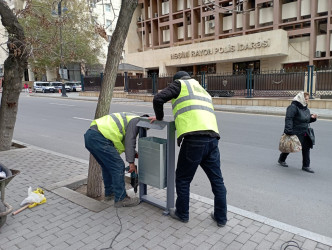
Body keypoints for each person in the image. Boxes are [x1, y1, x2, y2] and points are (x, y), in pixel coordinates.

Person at [148, 71, 227, 227]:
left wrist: (160, 117)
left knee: (183, 179)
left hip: (194, 140)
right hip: (212, 139)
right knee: (217, 181)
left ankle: (182, 213)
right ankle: (221, 218)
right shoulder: (202, 89)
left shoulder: (180, 84)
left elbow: (158, 98)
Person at [84, 112, 147, 207]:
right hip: (99, 138)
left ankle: (110, 193)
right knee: (118, 166)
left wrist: (134, 153)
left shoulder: (130, 118)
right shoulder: (136, 121)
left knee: (107, 166)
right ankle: (121, 199)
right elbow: (130, 141)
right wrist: (131, 163)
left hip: (91, 136)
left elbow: (126, 140)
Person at [278, 92, 318, 173]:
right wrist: (288, 131)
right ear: (301, 98)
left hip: (305, 132)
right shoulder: (292, 107)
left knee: (306, 148)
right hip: (295, 132)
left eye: (307, 99)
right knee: (289, 147)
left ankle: (306, 166)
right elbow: (289, 119)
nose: (307, 101)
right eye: (306, 99)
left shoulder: (305, 108)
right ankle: (281, 159)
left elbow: (306, 120)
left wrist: (312, 118)